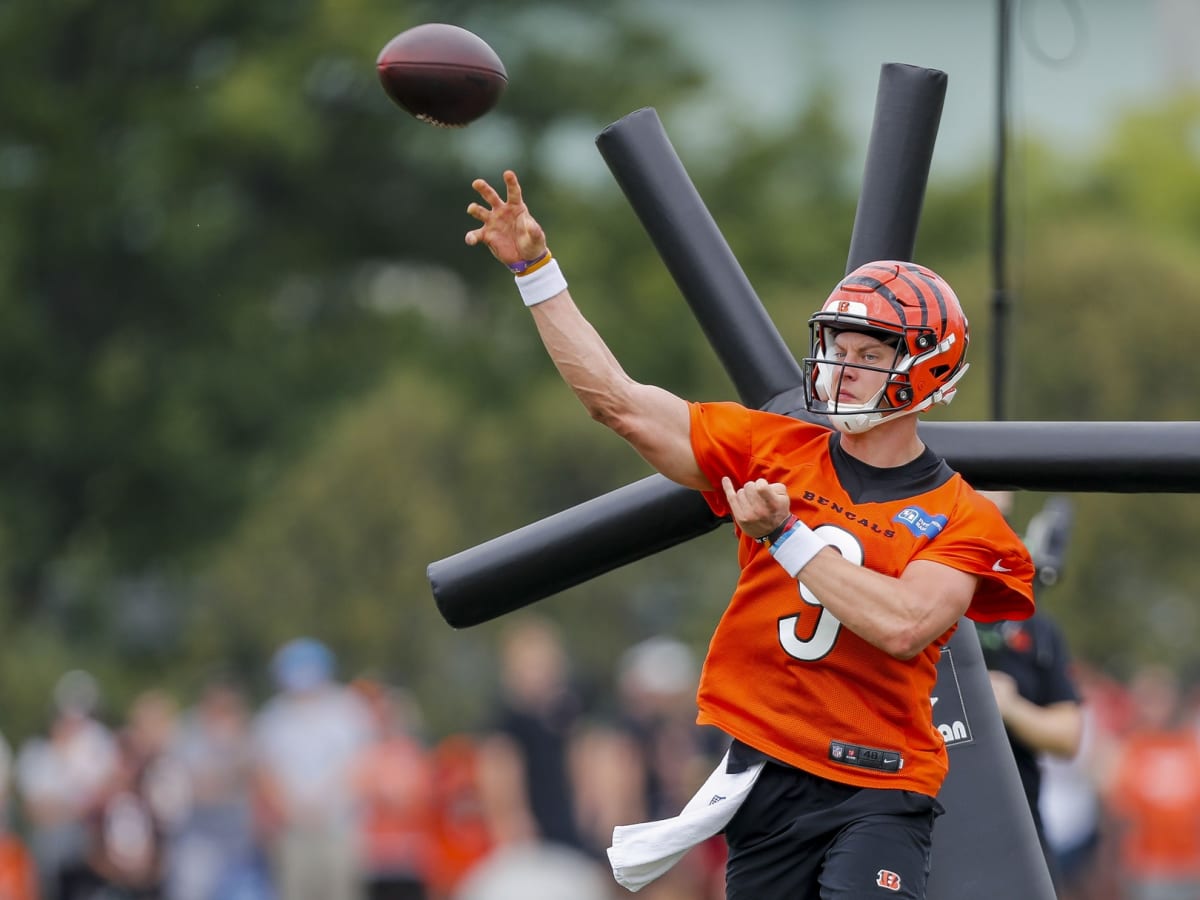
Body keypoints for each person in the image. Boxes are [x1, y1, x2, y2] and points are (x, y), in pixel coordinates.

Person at [463, 170, 1037, 899]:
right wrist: (534, 271)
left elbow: (905, 623)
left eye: (870, 354)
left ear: (929, 368)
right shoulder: (774, 446)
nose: (845, 368)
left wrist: (786, 536)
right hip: (769, 778)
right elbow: (620, 404)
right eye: (840, 345)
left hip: (879, 787)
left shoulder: (963, 516)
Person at [974, 492, 1086, 885]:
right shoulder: (928, 604)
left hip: (1014, 822)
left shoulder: (1036, 628)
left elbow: (1068, 734)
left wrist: (1011, 707)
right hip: (924, 816)